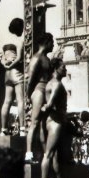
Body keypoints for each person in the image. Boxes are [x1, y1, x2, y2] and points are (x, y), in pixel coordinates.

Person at [39, 58, 69, 178]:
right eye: (63, 67)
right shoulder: (56, 85)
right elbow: (50, 105)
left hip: (52, 121)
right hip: (56, 122)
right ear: (56, 68)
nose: (65, 70)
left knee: (54, 155)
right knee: (49, 154)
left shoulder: (49, 84)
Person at [26, 32, 55, 163]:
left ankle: (43, 153)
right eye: (52, 42)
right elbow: (30, 78)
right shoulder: (36, 58)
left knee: (44, 124)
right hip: (38, 90)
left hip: (46, 91)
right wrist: (28, 94)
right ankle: (28, 153)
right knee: (35, 122)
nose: (53, 44)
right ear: (46, 42)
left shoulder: (46, 59)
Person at [0, 18, 26, 136]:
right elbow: (19, 58)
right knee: (20, 100)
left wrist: (5, 65)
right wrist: (12, 65)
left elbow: (1, 58)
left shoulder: (5, 42)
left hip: (7, 74)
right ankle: (22, 128)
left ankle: (3, 129)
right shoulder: (20, 40)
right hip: (16, 72)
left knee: (7, 101)